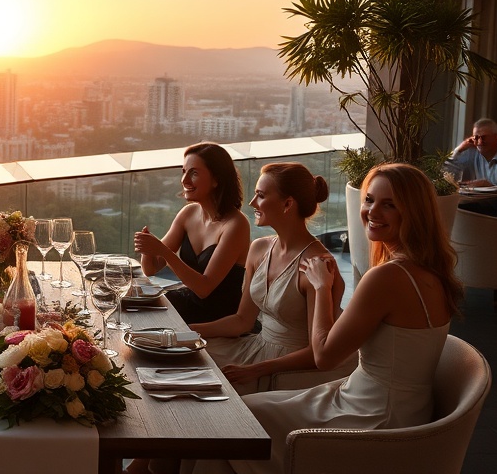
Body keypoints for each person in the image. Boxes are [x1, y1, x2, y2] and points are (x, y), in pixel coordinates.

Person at [216, 163, 461, 474]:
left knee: (237, 418)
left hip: (374, 414)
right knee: (244, 412)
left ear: (413, 213)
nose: (372, 211)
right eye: (369, 200)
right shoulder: (431, 271)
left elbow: (324, 357)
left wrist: (321, 288)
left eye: (389, 204)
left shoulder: (388, 277)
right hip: (392, 404)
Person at [191, 163, 343, 395]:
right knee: (185, 358)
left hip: (291, 367)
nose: (251, 203)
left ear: (287, 204)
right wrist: (186, 331)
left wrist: (257, 370)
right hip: (255, 347)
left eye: (260, 195)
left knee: (208, 386)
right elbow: (242, 320)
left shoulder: (318, 266)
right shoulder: (260, 248)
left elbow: (316, 351)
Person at [134, 142, 251, 323]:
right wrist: (148, 250)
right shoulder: (189, 213)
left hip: (216, 318)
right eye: (184, 172)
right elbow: (151, 269)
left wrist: (163, 251)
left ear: (216, 179)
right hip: (188, 304)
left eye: (194, 173)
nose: (184, 180)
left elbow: (204, 288)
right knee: (128, 308)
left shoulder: (236, 225)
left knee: (141, 317)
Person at [449, 118, 497, 215]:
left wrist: (490, 186)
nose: (480, 141)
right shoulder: (471, 153)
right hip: (476, 206)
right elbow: (445, 173)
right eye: (476, 138)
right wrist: (458, 150)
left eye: (484, 137)